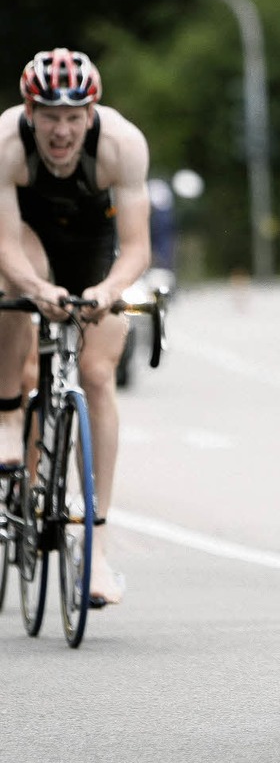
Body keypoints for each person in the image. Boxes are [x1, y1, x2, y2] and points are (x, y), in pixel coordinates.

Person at [0, 48, 151, 605]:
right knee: (20, 288)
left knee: (97, 373)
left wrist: (106, 294)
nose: (60, 131)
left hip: (94, 250)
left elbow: (137, 248)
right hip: (27, 244)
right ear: (28, 111)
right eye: (48, 116)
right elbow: (5, 245)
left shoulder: (122, 145)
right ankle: (10, 416)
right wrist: (40, 293)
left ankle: (97, 552)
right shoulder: (5, 145)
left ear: (91, 114)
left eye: (72, 117)